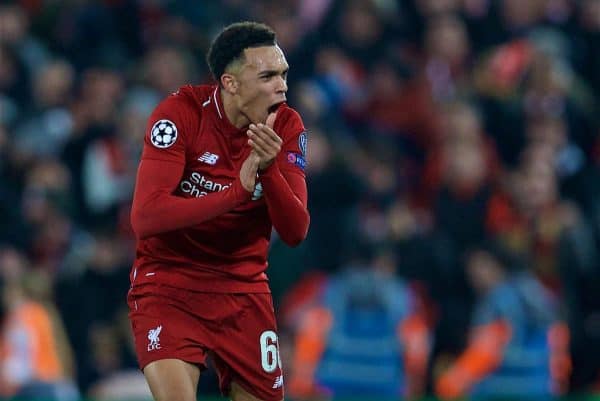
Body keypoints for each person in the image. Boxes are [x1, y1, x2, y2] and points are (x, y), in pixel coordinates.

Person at [127, 21, 309, 401]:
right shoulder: (180, 114)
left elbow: (295, 231)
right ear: (231, 83)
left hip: (243, 289)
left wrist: (269, 168)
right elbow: (146, 216)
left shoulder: (287, 124)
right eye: (269, 75)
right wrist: (237, 192)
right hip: (170, 283)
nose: (283, 85)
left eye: (284, 74)